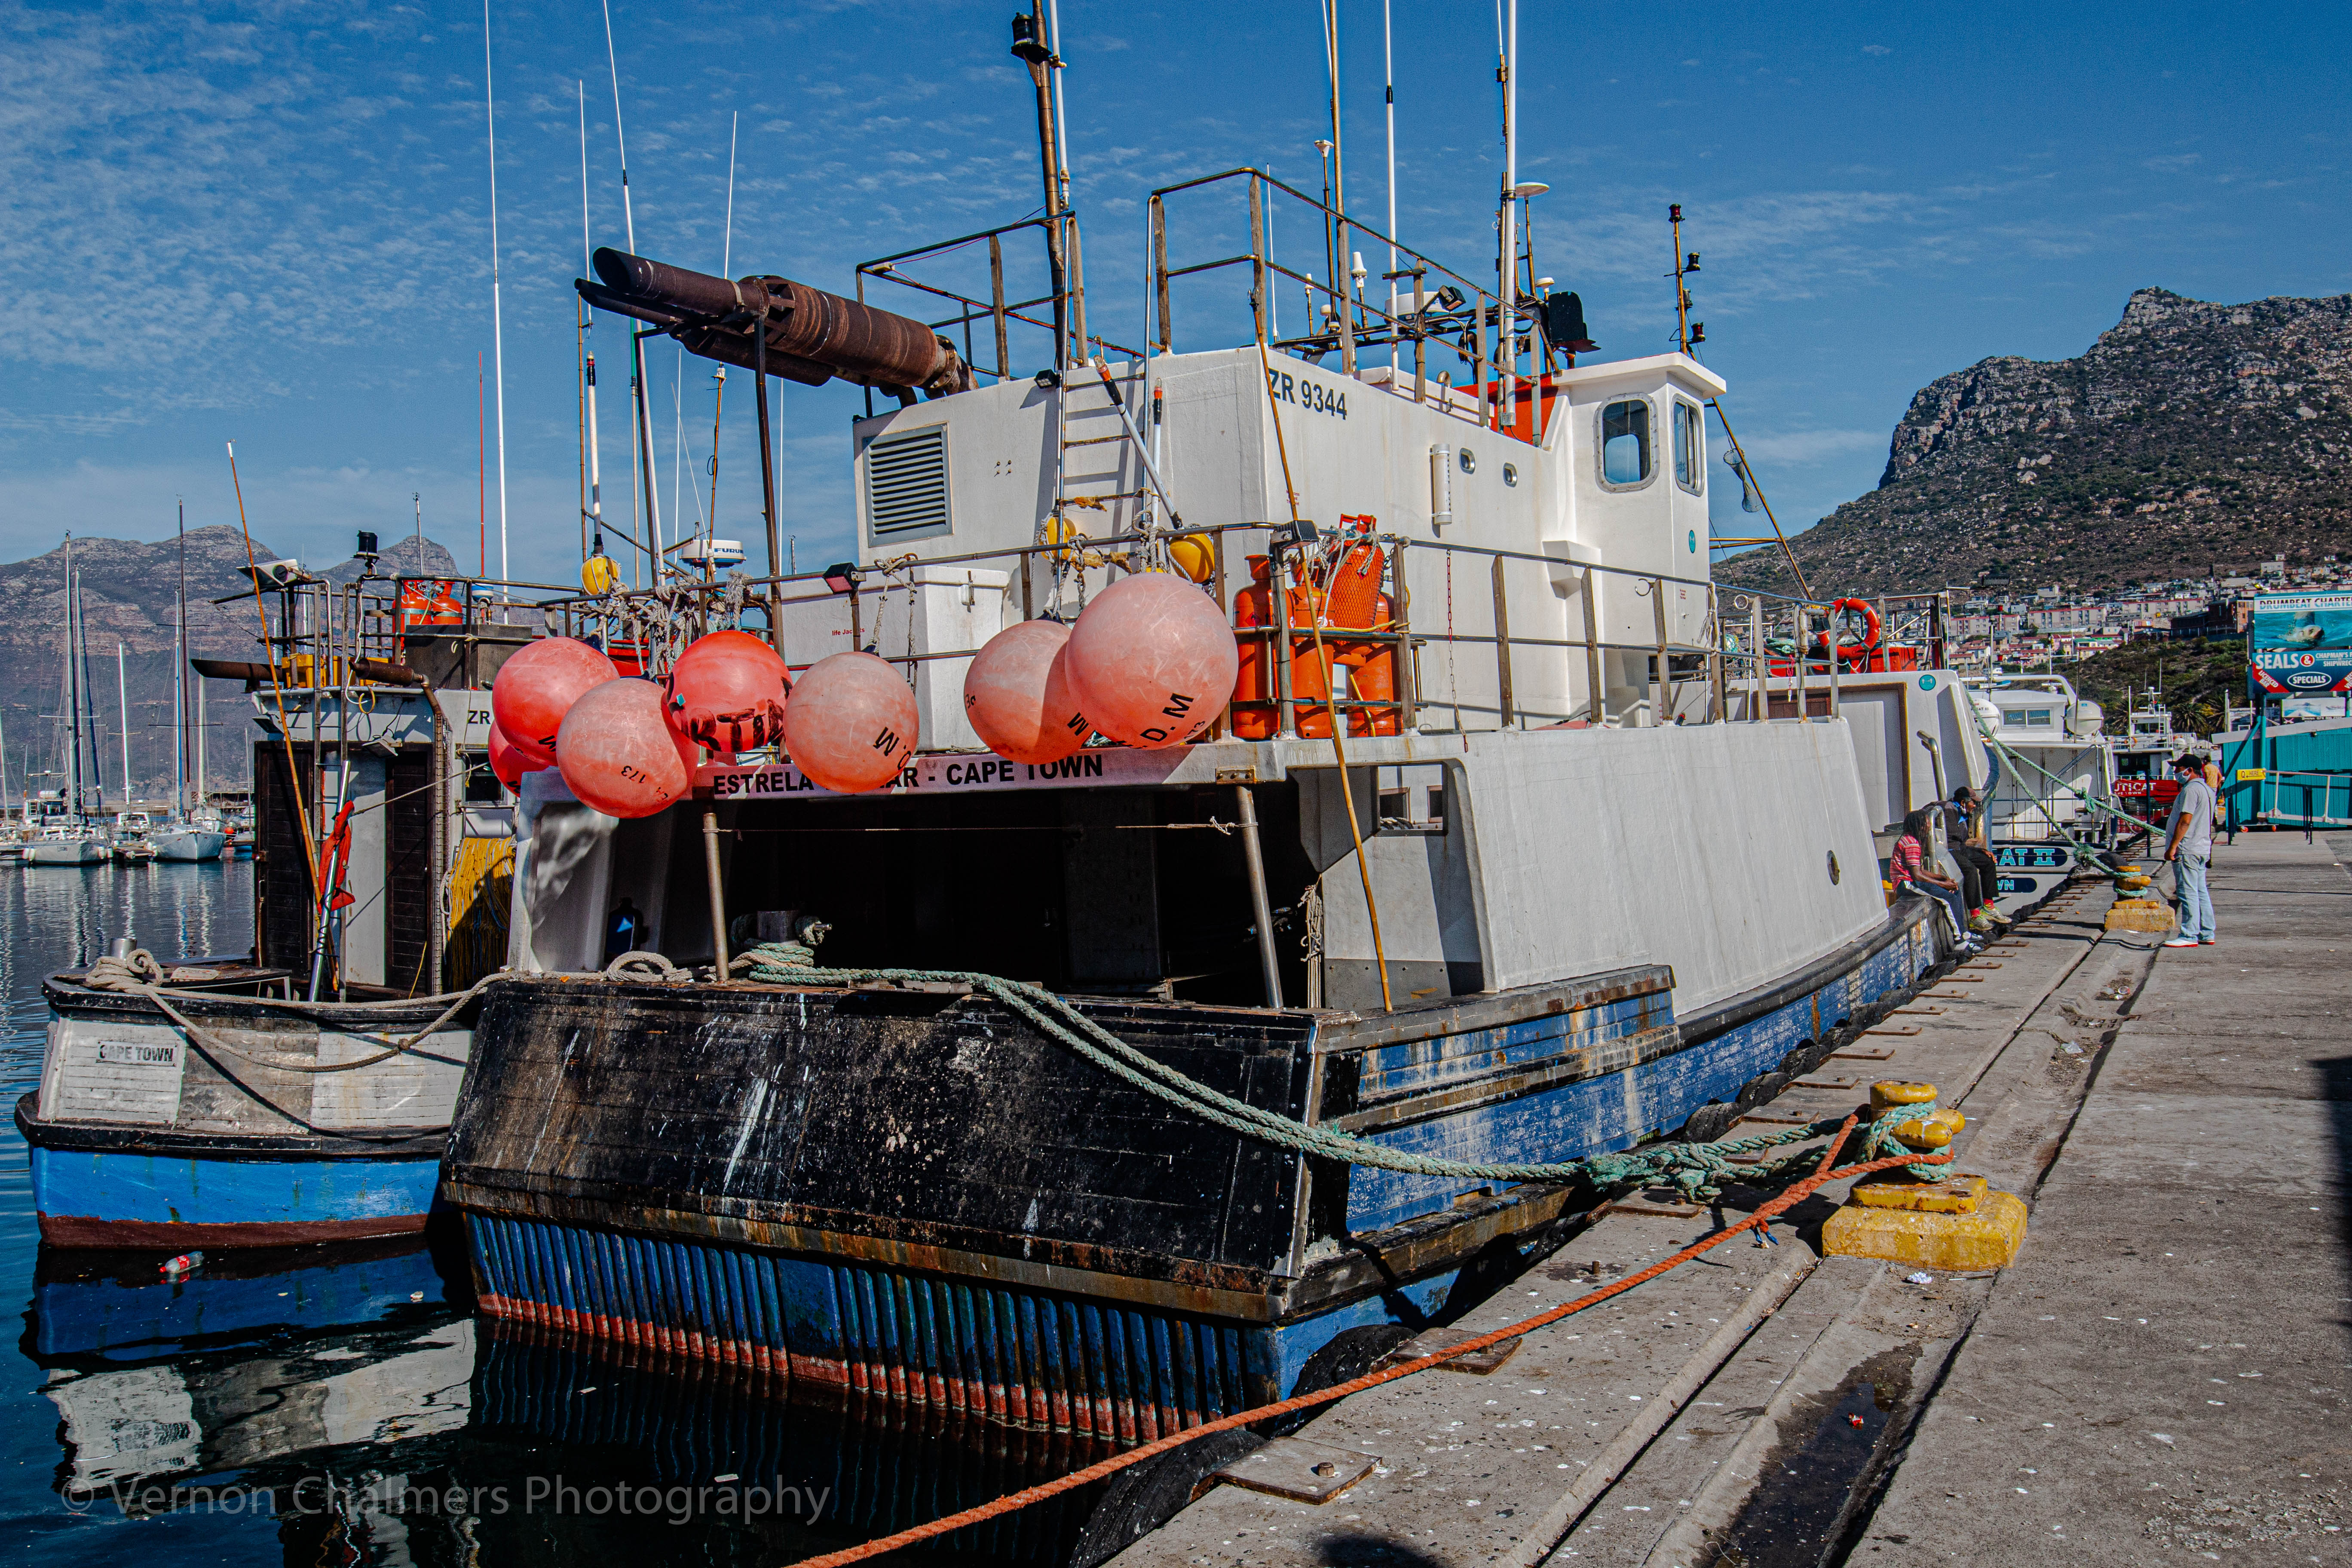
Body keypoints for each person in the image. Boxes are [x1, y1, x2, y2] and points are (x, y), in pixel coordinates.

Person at [1892, 807, 1980, 951]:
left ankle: (1964, 932)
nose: (1929, 827)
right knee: (1948, 899)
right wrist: (1943, 885)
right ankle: (1959, 941)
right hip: (1906, 884)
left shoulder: (1912, 840)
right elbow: (1917, 875)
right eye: (1927, 823)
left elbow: (1920, 870)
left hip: (1914, 880)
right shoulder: (1911, 844)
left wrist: (1942, 878)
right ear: (1920, 826)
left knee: (1955, 893)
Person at [2161, 754, 2216, 949]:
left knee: (2187, 892)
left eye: (2178, 769)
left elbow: (2185, 820)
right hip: (2202, 847)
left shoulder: (2191, 790)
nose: (2176, 772)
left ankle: (2189, 934)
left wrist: (2173, 846)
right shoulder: (2208, 790)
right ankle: (2207, 932)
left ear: (2189, 770)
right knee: (2201, 891)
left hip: (2188, 849)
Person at [1944, 786, 2009, 934]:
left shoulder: (1962, 815)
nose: (1975, 806)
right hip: (1950, 851)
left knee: (1988, 861)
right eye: (1973, 802)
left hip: (1960, 849)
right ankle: (1974, 915)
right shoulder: (1950, 811)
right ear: (1963, 802)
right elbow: (1954, 840)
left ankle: (1989, 905)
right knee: (1970, 870)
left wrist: (1982, 851)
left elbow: (1963, 842)